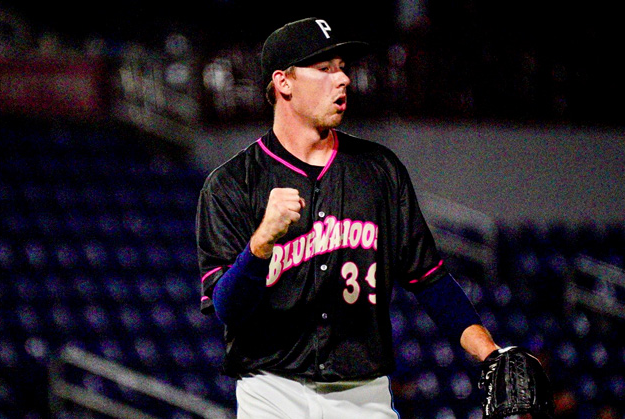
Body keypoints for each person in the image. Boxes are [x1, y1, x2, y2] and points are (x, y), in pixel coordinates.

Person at [196, 17, 501, 418]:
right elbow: (226, 309)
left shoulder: (379, 170)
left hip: (362, 395)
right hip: (271, 392)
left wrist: (491, 354)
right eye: (324, 69)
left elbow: (430, 280)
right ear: (283, 83)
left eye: (342, 68)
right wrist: (260, 244)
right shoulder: (231, 184)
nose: (342, 80)